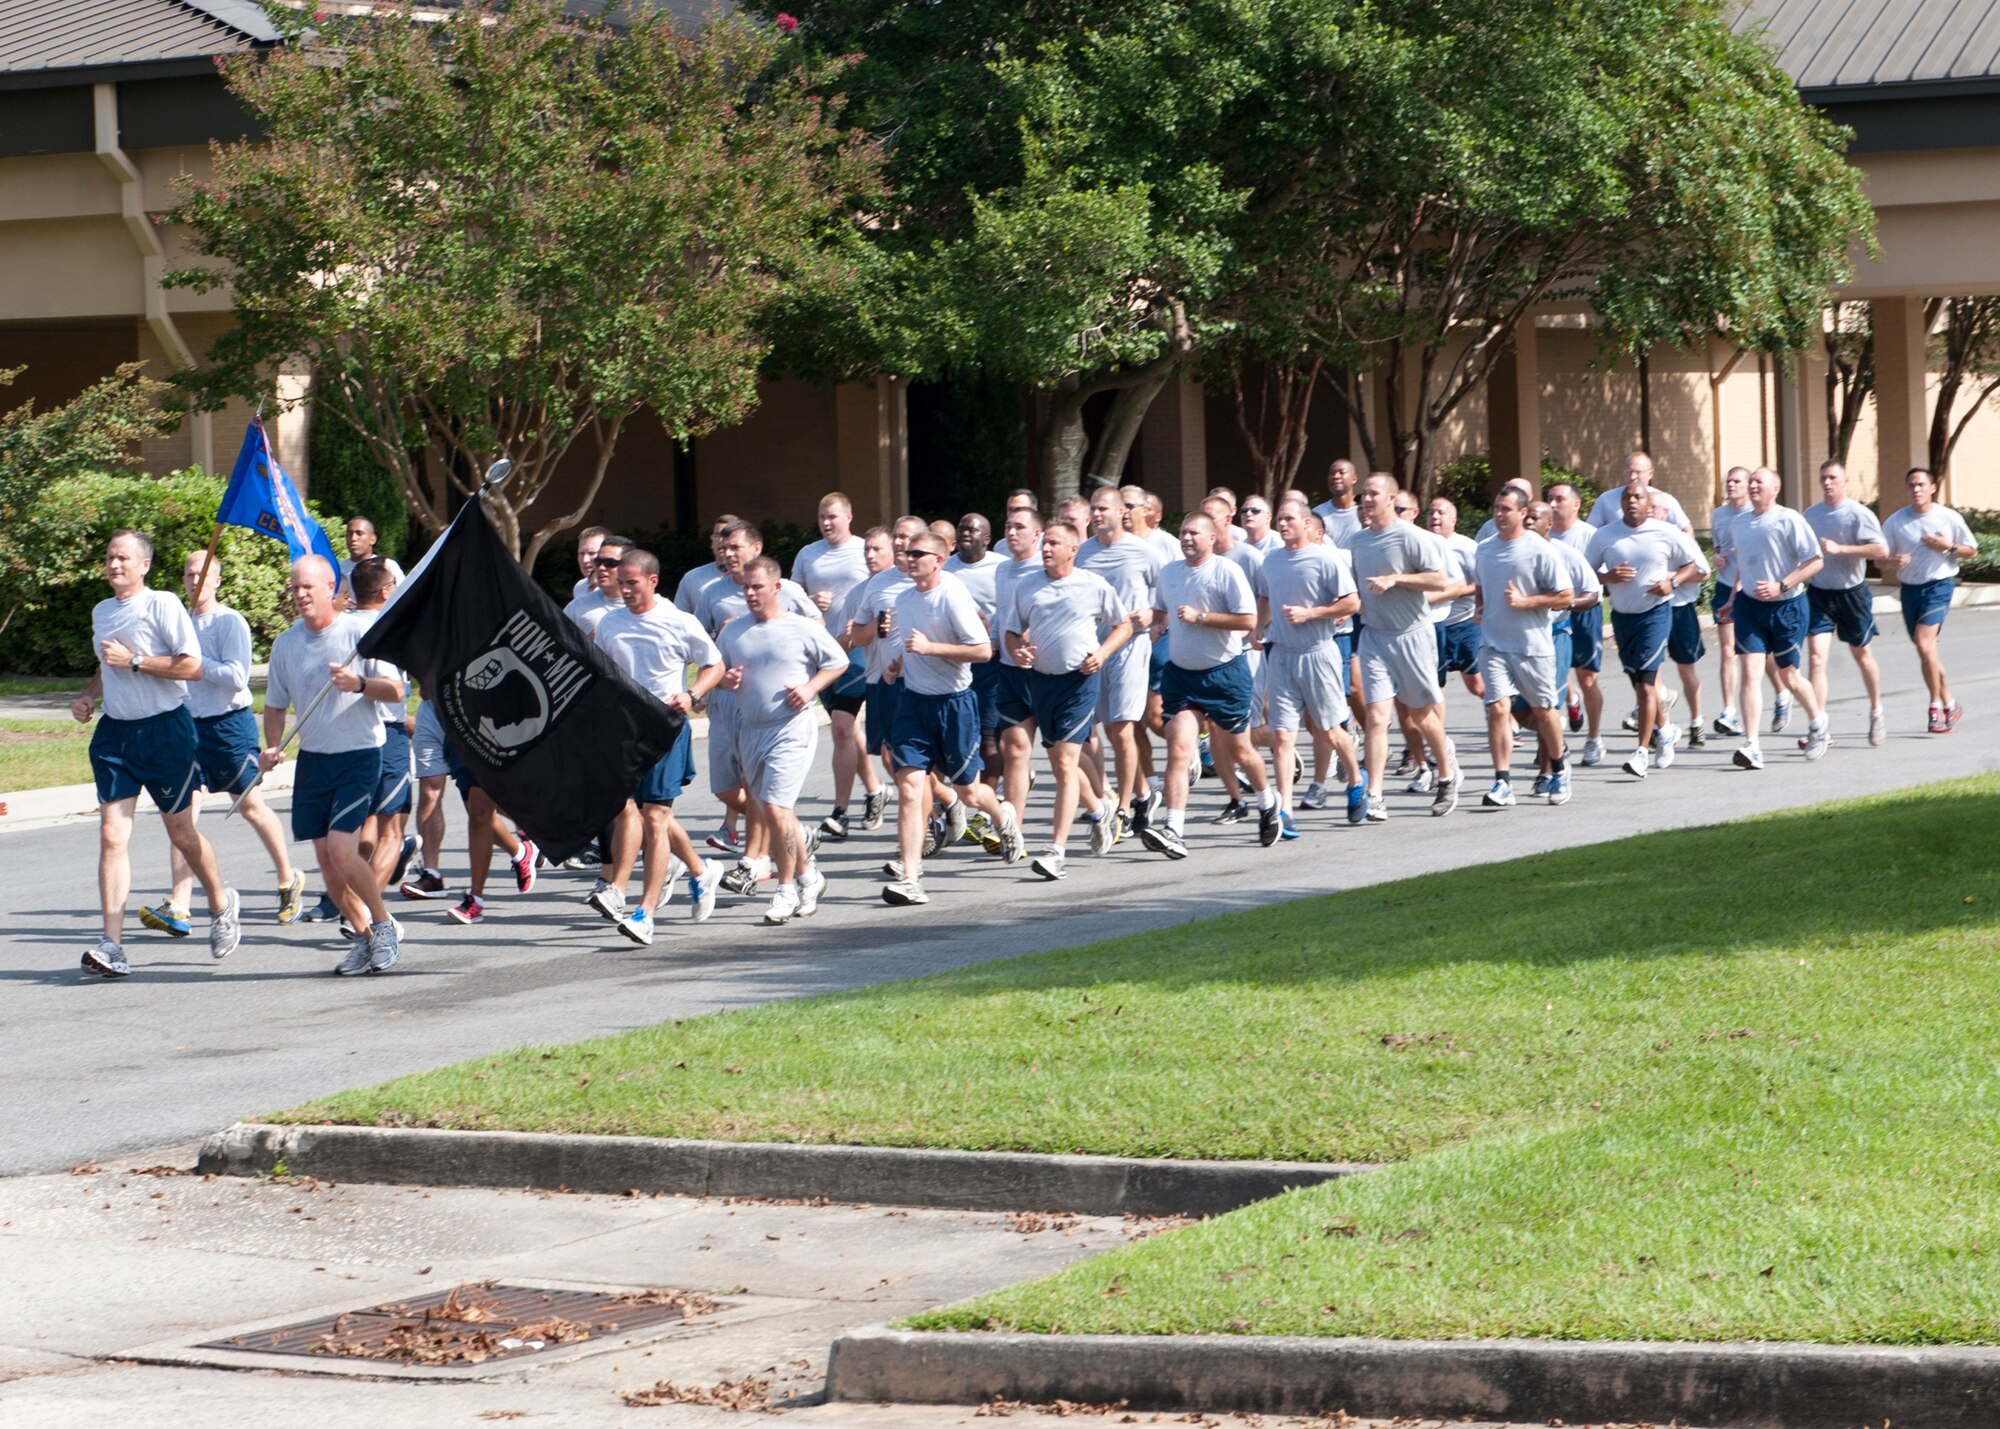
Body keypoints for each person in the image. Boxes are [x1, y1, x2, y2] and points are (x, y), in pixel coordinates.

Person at [71, 530, 242, 976]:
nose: (114, 565)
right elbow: (106, 663)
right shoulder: (102, 611)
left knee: (181, 834)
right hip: (116, 735)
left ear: (144, 565)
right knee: (112, 835)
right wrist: (90, 695)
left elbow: (192, 666)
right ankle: (112, 945)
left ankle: (221, 906)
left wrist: (134, 661)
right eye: (109, 557)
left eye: (123, 558)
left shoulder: (162, 604)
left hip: (166, 730)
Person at [138, 549, 304, 941]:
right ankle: (179, 905)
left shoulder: (230, 622)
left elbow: (237, 676)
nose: (194, 581)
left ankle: (287, 878)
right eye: (188, 575)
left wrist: (194, 664)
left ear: (217, 580)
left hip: (228, 726)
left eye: (202, 574)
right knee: (182, 816)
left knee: (248, 805)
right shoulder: (176, 623)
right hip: (186, 727)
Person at [260, 554, 404, 975]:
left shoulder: (360, 632)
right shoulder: (287, 643)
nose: (300, 594)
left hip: (359, 753)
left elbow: (395, 691)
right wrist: (270, 747)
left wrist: (357, 683)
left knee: (342, 850)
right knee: (326, 863)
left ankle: (384, 925)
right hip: (314, 759)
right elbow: (274, 705)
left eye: (309, 587)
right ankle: (363, 937)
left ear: (332, 589)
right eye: (295, 588)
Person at [880, 532, 1024, 905]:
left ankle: (1003, 816)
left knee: (970, 793)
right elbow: (908, 645)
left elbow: (981, 650)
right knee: (910, 789)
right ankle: (911, 877)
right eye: (906, 553)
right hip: (914, 704)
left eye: (918, 553)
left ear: (939, 560)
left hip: (955, 706)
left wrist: (930, 649)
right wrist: (898, 664)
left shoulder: (952, 594)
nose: (909, 558)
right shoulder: (903, 598)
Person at [588, 548, 723, 942]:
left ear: (652, 581)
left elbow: (714, 664)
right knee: (626, 809)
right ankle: (696, 870)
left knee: (655, 818)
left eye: (632, 582)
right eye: (620, 582)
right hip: (625, 730)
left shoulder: (679, 622)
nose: (624, 589)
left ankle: (644, 913)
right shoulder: (610, 624)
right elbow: (601, 671)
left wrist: (692, 694)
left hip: (666, 726)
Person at [716, 557, 852, 923]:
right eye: (745, 586)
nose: (749, 593)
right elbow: (719, 673)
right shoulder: (734, 631)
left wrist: (810, 688)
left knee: (775, 808)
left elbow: (837, 661)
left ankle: (784, 890)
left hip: (791, 728)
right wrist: (725, 680)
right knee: (779, 813)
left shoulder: (800, 627)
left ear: (776, 588)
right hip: (751, 730)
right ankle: (810, 877)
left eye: (757, 586)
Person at [1142, 514, 1278, 856]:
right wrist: (1157, 624)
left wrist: (1202, 618)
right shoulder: (1170, 572)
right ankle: (1174, 829)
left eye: (1193, 533)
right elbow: (1162, 610)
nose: (1186, 538)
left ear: (1212, 537)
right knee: (1178, 749)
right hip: (1181, 675)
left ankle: (1267, 802)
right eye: (1183, 532)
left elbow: (1248, 620)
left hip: (1223, 675)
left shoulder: (1226, 571)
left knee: (1241, 751)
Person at [1002, 520, 1131, 879]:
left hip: (1080, 681)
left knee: (1064, 763)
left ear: (1073, 550)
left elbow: (1124, 625)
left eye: (1054, 543)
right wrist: (1018, 653)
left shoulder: (1092, 585)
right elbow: (1011, 632)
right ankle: (1099, 809)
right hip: (1041, 683)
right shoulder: (1028, 586)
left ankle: (1055, 850)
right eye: (1044, 543)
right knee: (1061, 760)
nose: (1045, 548)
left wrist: (1103, 653)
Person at [1348, 475, 1457, 820]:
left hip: (1412, 635)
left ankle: (1447, 774)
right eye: (1363, 494)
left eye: (1372, 494)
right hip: (1375, 637)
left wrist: (1397, 579)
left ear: (1391, 498)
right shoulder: (1357, 541)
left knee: (1422, 715)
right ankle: (1375, 795)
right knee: (1377, 717)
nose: (1366, 499)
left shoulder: (1411, 537)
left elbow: (1439, 579)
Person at [1256, 499, 1364, 830]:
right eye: (1280, 519)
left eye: (1289, 519)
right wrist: (1258, 628)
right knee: (1283, 736)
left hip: (1319, 653)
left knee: (1329, 731)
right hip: (1282, 655)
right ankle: (1284, 809)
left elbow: (1352, 602)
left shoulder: (1325, 559)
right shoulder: (1271, 560)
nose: (1282, 524)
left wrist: (1311, 613)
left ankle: (1356, 782)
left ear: (1307, 524)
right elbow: (1264, 597)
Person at [1584, 485, 1703, 778]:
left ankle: (1640, 752)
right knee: (1639, 682)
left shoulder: (1665, 532)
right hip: (1624, 618)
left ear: (1648, 503)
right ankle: (1665, 731)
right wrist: (1607, 577)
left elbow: (1697, 566)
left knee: (1648, 682)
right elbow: (1585, 574)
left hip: (1656, 613)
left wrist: (1672, 583)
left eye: (1638, 497)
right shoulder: (1605, 535)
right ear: (1621, 503)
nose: (1632, 501)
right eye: (1627, 497)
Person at [1714, 467, 1830, 768]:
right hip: (1749, 607)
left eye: (1758, 482)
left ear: (1774, 489)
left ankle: (1818, 723)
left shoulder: (1789, 519)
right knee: (1751, 672)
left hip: (1787, 607)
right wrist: (1731, 598)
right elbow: (1745, 564)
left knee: (1789, 676)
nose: (1752, 485)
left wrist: (1782, 584)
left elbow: (1816, 561)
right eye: (1750, 481)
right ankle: (1752, 745)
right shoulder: (1740, 523)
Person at [1473, 490, 1575, 807]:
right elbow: (1480, 584)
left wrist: (1525, 602)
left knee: (1545, 712)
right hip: (1493, 644)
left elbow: (1565, 596)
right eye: (1496, 508)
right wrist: (1480, 607)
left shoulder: (1539, 550)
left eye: (1506, 509)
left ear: (1522, 512)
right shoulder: (1485, 550)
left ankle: (1559, 770)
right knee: (1497, 709)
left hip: (1532, 646)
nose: (1499, 514)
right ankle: (1502, 781)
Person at [1079, 487, 1166, 837]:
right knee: (1092, 733)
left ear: (1120, 512)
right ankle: (1143, 793)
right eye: (1094, 509)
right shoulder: (1083, 553)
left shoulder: (1143, 552)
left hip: (1131, 645)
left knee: (1122, 728)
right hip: (1092, 648)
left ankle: (1125, 808)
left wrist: (1152, 615)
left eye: (1104, 509)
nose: (1098, 514)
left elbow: (1168, 594)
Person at [791, 493, 877, 838]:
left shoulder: (863, 550)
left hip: (855, 648)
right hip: (820, 651)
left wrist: (860, 625)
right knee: (848, 729)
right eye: (822, 517)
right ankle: (875, 790)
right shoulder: (807, 554)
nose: (827, 523)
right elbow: (791, 597)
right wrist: (810, 601)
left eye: (833, 516)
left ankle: (840, 811)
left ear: (849, 517)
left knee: (842, 726)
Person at [346, 557, 419, 909]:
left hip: (348, 737)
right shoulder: (384, 630)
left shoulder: (339, 627)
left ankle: (346, 899)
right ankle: (362, 909)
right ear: (386, 591)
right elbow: (396, 689)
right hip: (386, 732)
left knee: (361, 825)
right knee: (391, 831)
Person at [1883, 466, 1977, 734]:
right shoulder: (1895, 521)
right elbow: (1879, 560)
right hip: (1910, 590)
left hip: (1939, 585)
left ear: (1932, 488)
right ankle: (1950, 703)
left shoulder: (1948, 517)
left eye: (1921, 485)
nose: (1916, 489)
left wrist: (1946, 546)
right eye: (1911, 485)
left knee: (1925, 645)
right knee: (1927, 652)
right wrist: (1892, 562)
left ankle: (1934, 707)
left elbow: (1971, 551)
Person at [1802, 461, 1889, 747]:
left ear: (1845, 481)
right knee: (1816, 658)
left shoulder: (1858, 514)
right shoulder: (1811, 514)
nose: (1827, 482)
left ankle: (1876, 712)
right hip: (1819, 594)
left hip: (1852, 594)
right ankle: (1820, 726)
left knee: (1862, 656)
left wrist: (1842, 549)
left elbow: (1881, 550)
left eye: (1833, 478)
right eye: (1823, 477)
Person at [1547, 482, 1606, 763]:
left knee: (1586, 677)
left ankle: (1594, 739)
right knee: (1551, 677)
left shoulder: (1590, 536)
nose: (1554, 504)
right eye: (1550, 499)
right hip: (1550, 614)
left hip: (1583, 611)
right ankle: (1554, 741)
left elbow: (1602, 579)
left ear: (1576, 504)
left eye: (1560, 499)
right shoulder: (1540, 537)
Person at [1426, 498, 1484, 700]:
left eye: (1441, 513)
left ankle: (1508, 716)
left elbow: (1482, 584)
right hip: (1434, 624)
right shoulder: (1421, 543)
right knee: (1435, 684)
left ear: (1454, 520)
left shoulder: (1466, 547)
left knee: (1476, 684)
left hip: (1464, 623)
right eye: (1431, 512)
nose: (1434, 517)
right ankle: (1439, 732)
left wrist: (1454, 591)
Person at [1586, 451, 1692, 531]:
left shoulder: (1665, 500)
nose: (1632, 477)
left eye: (1638, 472)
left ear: (1650, 474)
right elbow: (1590, 532)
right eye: (1629, 472)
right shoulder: (1606, 499)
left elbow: (1686, 530)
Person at [563, 533, 630, 638]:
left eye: (609, 563)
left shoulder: (653, 609)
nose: (601, 568)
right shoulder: (577, 606)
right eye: (598, 562)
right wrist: (589, 644)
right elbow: (557, 646)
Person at [338, 516, 405, 590]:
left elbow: (403, 593)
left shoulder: (387, 566)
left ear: (372, 539)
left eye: (359, 533)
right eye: (349, 534)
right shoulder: (339, 570)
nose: (353, 538)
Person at [1312, 459, 1362, 546]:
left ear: (1354, 478)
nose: (1336, 476)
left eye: (1342, 472)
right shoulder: (1317, 514)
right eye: (1331, 473)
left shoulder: (1365, 511)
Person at [569, 525, 610, 602]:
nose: (585, 560)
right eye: (581, 553)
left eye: (592, 553)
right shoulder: (579, 588)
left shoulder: (625, 589)